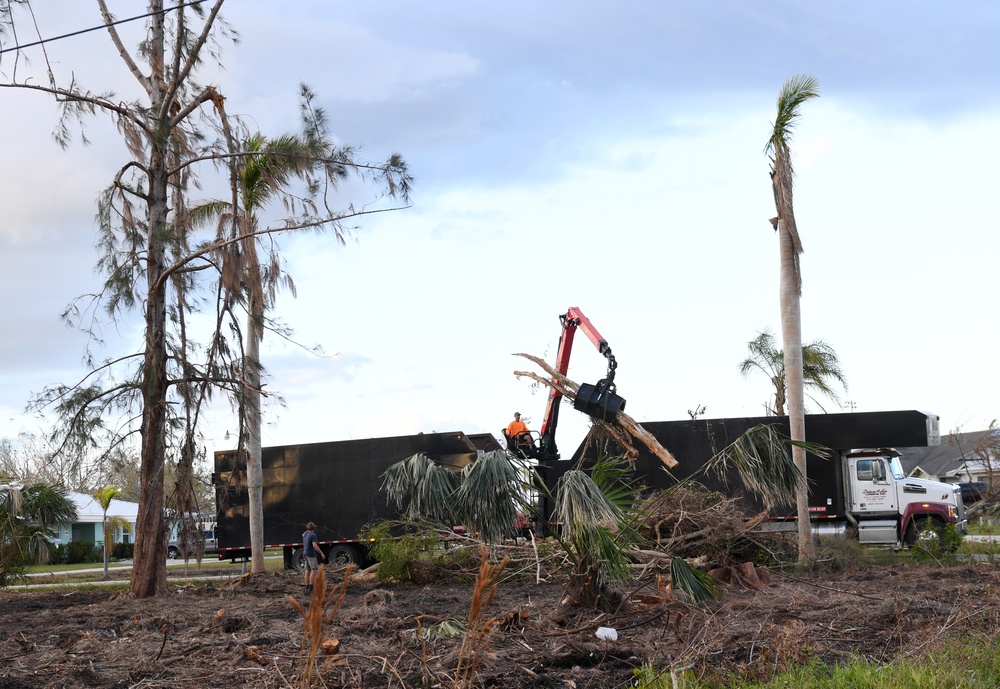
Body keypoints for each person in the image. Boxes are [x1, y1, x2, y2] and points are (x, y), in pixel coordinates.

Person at [302, 521, 325, 594]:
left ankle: (307, 587)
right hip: (311, 554)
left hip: (305, 553)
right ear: (314, 528)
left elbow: (302, 534)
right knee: (314, 569)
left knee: (307, 570)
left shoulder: (305, 534)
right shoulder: (313, 535)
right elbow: (314, 545)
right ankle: (311, 588)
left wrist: (308, 529)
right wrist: (321, 553)